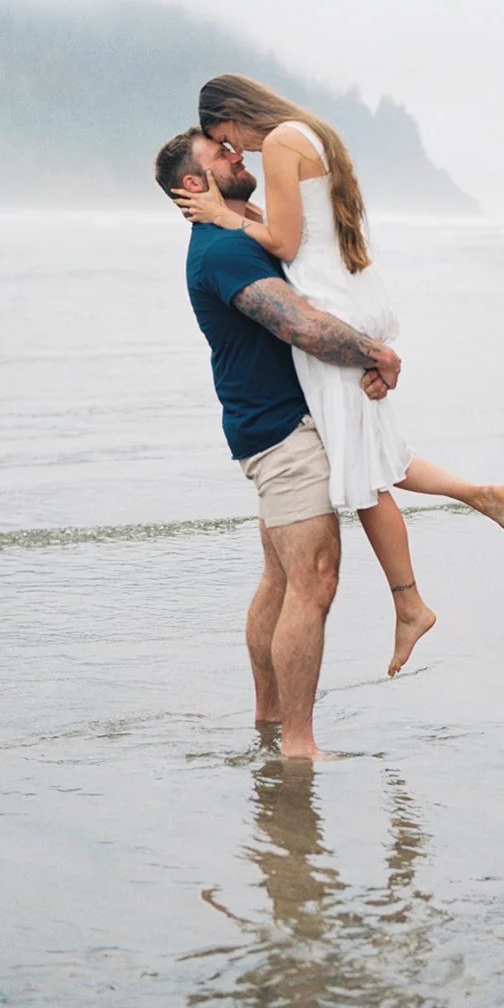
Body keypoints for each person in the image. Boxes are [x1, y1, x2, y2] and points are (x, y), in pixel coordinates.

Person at [172, 73, 504, 678]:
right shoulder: (305, 135)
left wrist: (222, 213)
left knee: (361, 471)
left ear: (234, 117)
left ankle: (410, 603)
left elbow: (286, 243)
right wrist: (239, 216)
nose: (236, 153)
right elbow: (294, 229)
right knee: (373, 451)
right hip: (344, 293)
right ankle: (479, 496)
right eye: (222, 150)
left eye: (224, 139)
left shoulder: (286, 143)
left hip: (331, 307)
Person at [154, 125, 405, 760]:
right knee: (314, 581)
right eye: (222, 155)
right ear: (194, 183)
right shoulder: (220, 251)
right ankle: (299, 744)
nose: (240, 156)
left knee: (280, 578)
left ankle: (270, 723)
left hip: (266, 424)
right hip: (284, 432)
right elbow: (301, 325)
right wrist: (379, 354)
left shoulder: (237, 233)